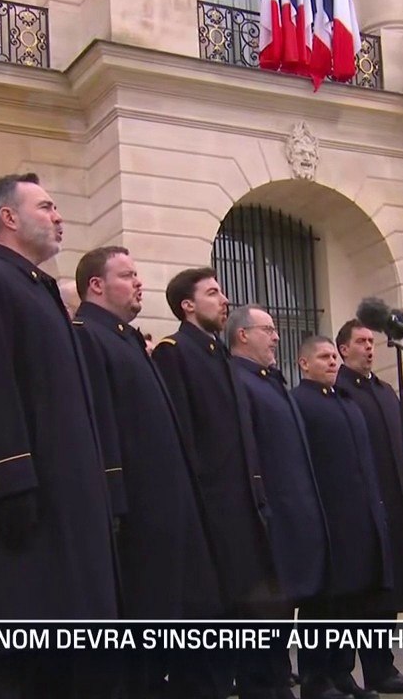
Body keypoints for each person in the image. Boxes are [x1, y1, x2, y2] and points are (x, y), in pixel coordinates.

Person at [0, 173, 118, 698]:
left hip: (58, 504)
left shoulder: (35, 289)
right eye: (47, 206)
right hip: (21, 511)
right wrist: (9, 482)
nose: (59, 216)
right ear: (9, 218)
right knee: (8, 658)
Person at [73, 246, 222, 698]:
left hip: (167, 510)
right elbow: (100, 424)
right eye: (127, 275)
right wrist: (116, 505)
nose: (139, 283)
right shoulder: (85, 335)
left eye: (138, 274)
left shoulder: (128, 338)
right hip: (135, 513)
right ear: (96, 285)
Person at [151, 268, 278, 699]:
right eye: (212, 293)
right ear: (187, 305)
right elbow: (183, 442)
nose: (224, 299)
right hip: (209, 518)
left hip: (244, 514)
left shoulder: (220, 356)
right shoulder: (174, 353)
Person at [227, 305, 329, 699]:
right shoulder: (238, 381)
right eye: (268, 329)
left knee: (281, 622)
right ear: (242, 335)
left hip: (294, 524)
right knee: (261, 626)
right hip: (268, 525)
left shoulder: (270, 382)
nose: (276, 337)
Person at [334, 319, 403, 694]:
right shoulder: (338, 391)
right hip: (360, 511)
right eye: (361, 342)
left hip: (396, 504)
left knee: (390, 592)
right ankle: (342, 671)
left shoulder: (387, 391)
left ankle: (382, 668)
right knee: (360, 595)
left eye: (372, 342)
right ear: (343, 349)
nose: (369, 348)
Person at [292, 335, 392, 699]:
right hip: (326, 523)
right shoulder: (299, 402)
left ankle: (342, 673)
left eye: (335, 356)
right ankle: (316, 679)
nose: (333, 362)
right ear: (304, 363)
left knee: (351, 603)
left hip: (359, 523)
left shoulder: (346, 402)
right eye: (324, 357)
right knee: (323, 606)